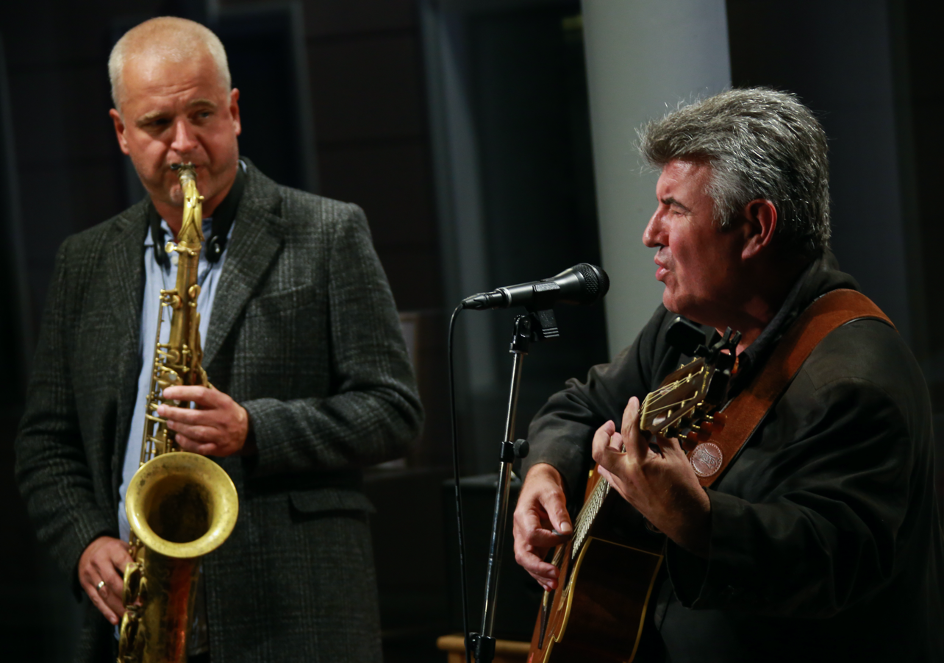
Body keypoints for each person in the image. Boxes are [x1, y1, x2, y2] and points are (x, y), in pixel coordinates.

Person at [15, 16, 422, 662]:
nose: (184, 145)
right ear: (121, 132)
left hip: (293, 619)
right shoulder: (84, 261)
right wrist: (86, 542)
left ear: (234, 112)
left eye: (202, 115)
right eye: (156, 124)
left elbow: (394, 412)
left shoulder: (328, 232)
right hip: (135, 618)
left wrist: (253, 429)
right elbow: (44, 443)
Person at [512, 88, 943, 661]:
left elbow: (835, 564)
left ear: (756, 227)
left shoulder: (854, 379)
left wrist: (695, 520)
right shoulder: (686, 331)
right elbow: (578, 406)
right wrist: (544, 473)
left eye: (675, 208)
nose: (650, 233)